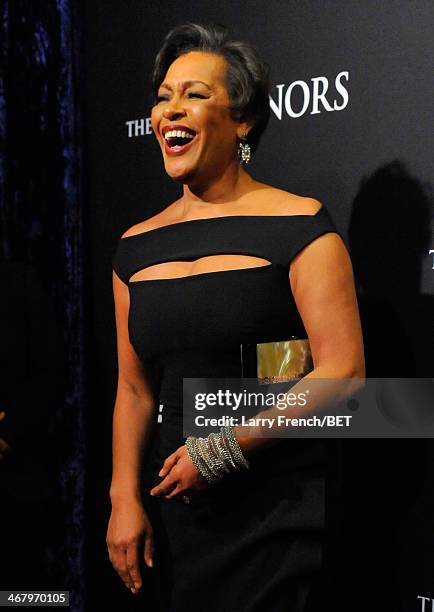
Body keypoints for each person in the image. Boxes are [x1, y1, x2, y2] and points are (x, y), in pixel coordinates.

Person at [107, 22, 365, 612]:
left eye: (194, 95)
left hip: (273, 512)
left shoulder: (301, 226)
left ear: (242, 119)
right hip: (171, 513)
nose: (171, 109)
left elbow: (345, 375)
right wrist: (123, 497)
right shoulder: (134, 247)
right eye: (164, 96)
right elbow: (133, 388)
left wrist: (222, 450)